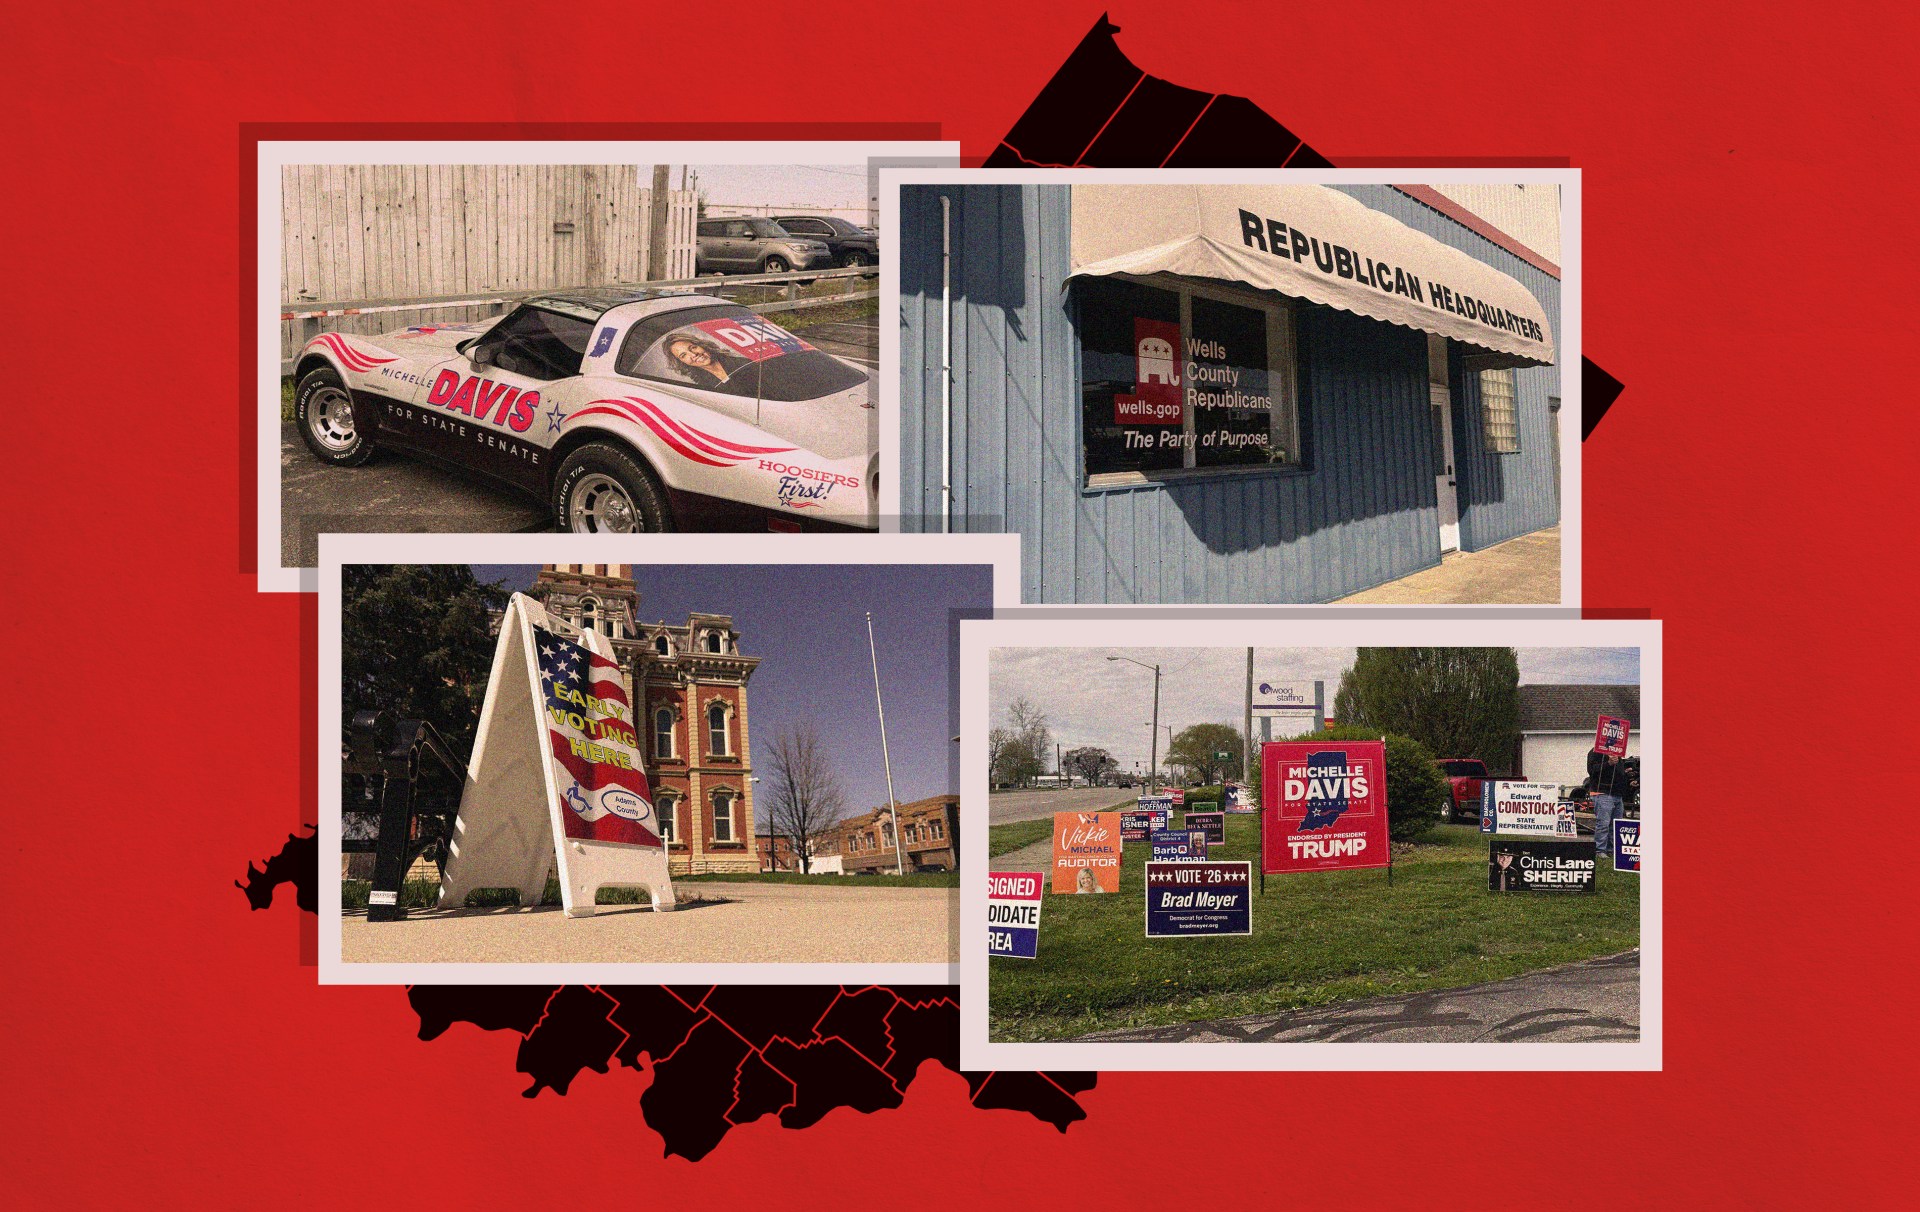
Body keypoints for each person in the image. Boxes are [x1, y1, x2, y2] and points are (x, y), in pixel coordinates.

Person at [1586, 745, 1623, 857]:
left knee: (1615, 825)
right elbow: (1592, 770)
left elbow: (1619, 772)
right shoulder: (1595, 751)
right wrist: (1609, 763)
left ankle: (1611, 850)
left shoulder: (1617, 752)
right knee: (1603, 823)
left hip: (1617, 793)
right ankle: (1600, 850)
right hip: (1602, 792)